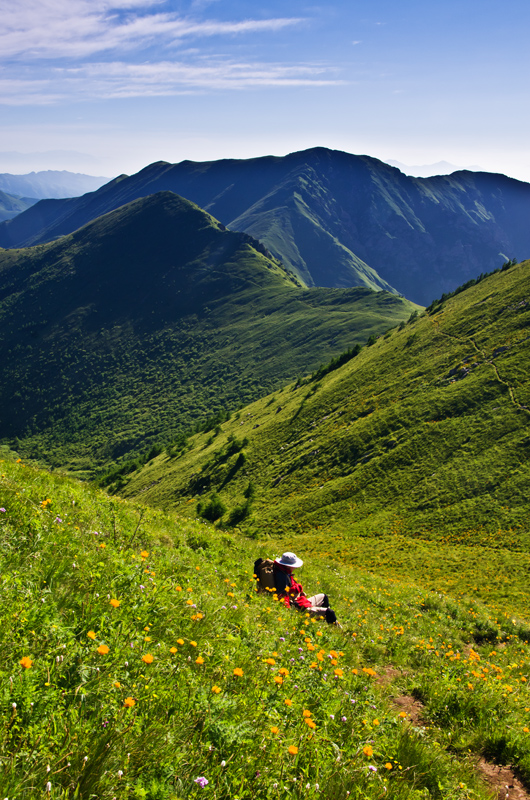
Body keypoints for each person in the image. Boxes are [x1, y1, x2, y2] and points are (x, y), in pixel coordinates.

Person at [273, 552, 339, 625]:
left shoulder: (285, 572)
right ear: (289, 566)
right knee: (330, 612)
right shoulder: (282, 576)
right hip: (297, 607)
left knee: (324, 597)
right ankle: (338, 631)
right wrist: (288, 614)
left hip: (300, 601)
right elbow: (282, 595)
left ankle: (324, 621)